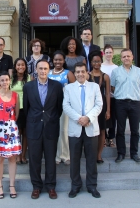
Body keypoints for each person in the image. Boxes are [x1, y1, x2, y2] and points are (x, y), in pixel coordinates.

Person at [23, 59, 64, 200]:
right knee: (34, 158)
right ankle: (36, 186)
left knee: (50, 159)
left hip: (51, 127)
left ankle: (51, 186)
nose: (43, 71)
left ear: (49, 69)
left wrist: (50, 119)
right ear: (36, 70)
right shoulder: (28, 87)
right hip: (33, 127)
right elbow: (27, 108)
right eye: (40, 68)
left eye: (45, 68)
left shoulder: (57, 86)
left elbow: (59, 108)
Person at [63, 62, 103, 198]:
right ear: (74, 74)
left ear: (87, 73)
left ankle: (92, 186)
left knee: (91, 159)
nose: (80, 74)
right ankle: (75, 186)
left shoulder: (95, 87)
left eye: (82, 71)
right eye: (78, 72)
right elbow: (66, 106)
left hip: (91, 128)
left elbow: (99, 105)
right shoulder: (68, 88)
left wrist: (88, 118)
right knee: (74, 159)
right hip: (75, 128)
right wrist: (79, 118)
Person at [0, 71, 21, 199]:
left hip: (11, 130)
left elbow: (16, 113)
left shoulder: (15, 95)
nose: (5, 82)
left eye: (6, 80)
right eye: (2, 80)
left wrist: (10, 125)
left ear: (9, 80)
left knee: (12, 158)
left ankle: (12, 185)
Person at [111, 49, 140, 163]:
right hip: (120, 103)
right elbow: (112, 87)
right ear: (121, 58)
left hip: (135, 103)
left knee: (135, 130)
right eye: (124, 56)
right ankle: (121, 153)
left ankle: (134, 153)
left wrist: (137, 95)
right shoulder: (116, 72)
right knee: (120, 130)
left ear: (132, 57)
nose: (126, 58)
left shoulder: (139, 71)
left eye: (128, 56)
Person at [48, 50, 76, 165]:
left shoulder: (68, 73)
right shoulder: (48, 72)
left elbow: (74, 89)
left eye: (60, 59)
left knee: (64, 130)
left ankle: (65, 155)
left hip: (64, 106)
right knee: (52, 132)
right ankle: (55, 155)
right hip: (50, 107)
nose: (58, 62)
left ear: (64, 61)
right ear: (52, 61)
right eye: (55, 59)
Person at [88, 50, 110, 164]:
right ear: (91, 63)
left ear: (101, 62)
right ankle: (91, 153)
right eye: (94, 61)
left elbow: (107, 94)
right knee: (91, 130)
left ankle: (99, 155)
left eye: (98, 61)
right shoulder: (87, 76)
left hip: (102, 106)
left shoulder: (105, 77)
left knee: (102, 130)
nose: (96, 63)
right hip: (90, 107)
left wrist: (108, 110)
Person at [10, 58, 30, 165]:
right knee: (17, 133)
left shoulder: (29, 78)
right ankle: (17, 156)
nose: (20, 67)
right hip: (14, 109)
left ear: (25, 66)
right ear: (15, 66)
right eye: (18, 65)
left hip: (26, 108)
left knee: (26, 133)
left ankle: (23, 156)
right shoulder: (11, 78)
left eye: (23, 65)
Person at [101, 44, 118, 148]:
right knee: (103, 117)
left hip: (114, 97)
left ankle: (111, 138)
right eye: (107, 52)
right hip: (103, 97)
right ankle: (104, 137)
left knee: (113, 117)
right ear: (104, 53)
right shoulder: (101, 66)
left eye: (110, 52)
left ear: (113, 53)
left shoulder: (116, 67)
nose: (108, 54)